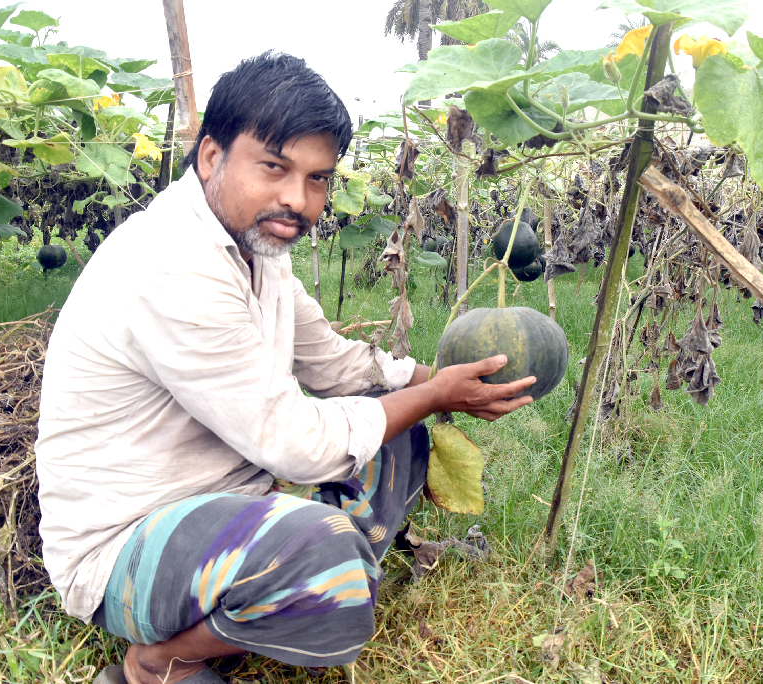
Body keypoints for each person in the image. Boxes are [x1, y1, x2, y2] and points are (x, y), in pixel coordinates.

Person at [35, 51, 535, 684]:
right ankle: (160, 660)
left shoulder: (254, 245)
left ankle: (270, 596)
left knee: (396, 429)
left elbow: (333, 361)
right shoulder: (171, 262)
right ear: (213, 156)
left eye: (318, 178)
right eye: (274, 168)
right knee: (325, 550)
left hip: (225, 504)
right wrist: (435, 396)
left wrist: (429, 381)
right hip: (125, 549)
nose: (297, 200)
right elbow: (293, 444)